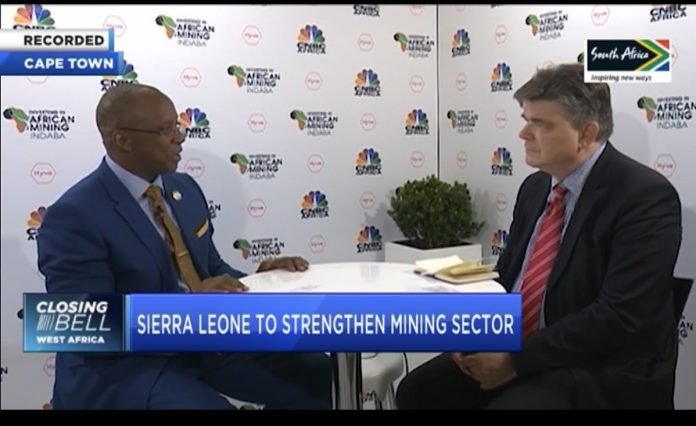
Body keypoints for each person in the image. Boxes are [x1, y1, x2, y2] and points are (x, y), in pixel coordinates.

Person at [396, 63, 682, 409]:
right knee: (418, 390)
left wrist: (515, 362)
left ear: (586, 134)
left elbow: (619, 317)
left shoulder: (644, 197)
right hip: (521, 344)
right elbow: (508, 276)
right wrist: (471, 332)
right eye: (525, 119)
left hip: (596, 364)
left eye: (540, 124)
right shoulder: (534, 187)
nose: (523, 133)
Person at [36, 83, 333, 410]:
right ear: (122, 140)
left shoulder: (184, 188)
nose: (179, 138)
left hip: (206, 346)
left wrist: (261, 281)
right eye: (166, 130)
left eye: (177, 127)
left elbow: (212, 270)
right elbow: (85, 326)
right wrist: (187, 308)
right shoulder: (75, 215)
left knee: (317, 372)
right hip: (125, 367)